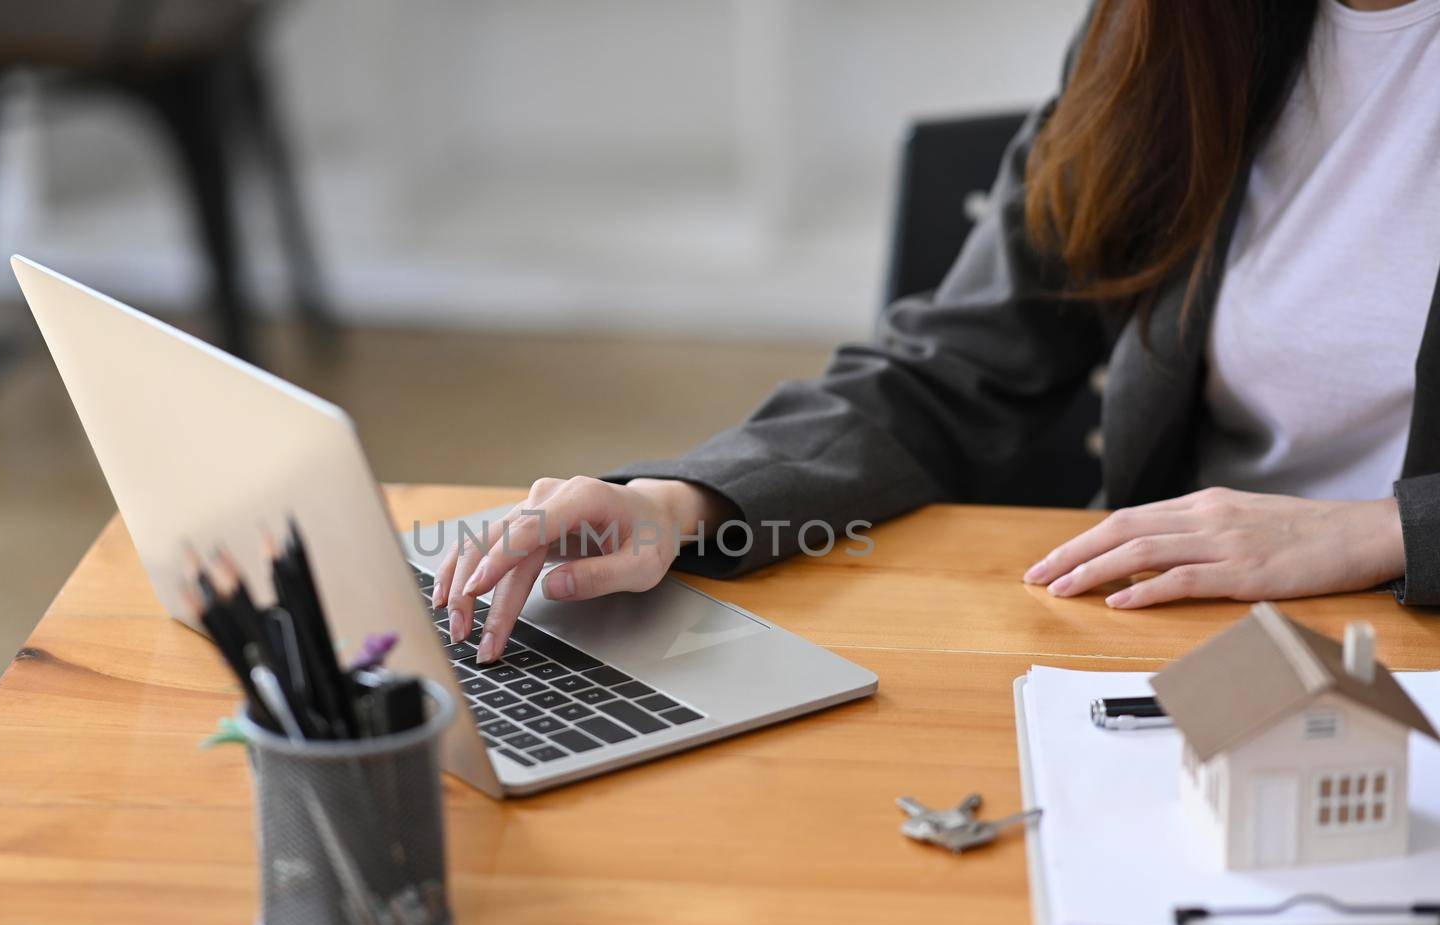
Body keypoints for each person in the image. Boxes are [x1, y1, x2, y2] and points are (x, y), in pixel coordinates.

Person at [440, 0, 1440, 666]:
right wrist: (680, 498)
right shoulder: (1183, 28)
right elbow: (957, 363)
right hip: (1196, 639)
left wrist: (1381, 530)